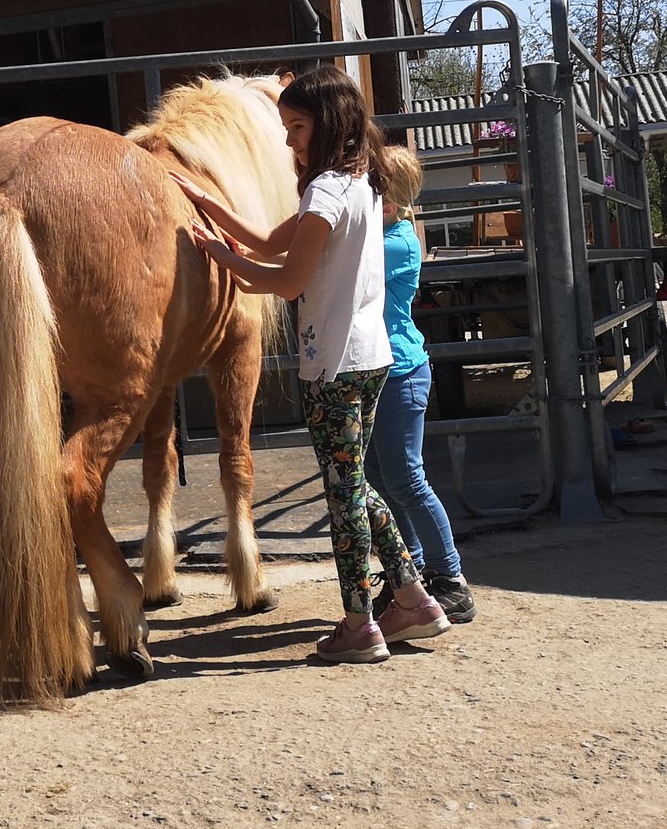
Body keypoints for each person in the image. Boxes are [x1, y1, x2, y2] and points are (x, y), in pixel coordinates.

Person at [171, 64, 451, 664]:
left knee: (342, 496)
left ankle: (359, 623)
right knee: (352, 484)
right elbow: (274, 241)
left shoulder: (324, 191)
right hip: (369, 358)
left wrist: (223, 258)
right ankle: (413, 600)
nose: (289, 140)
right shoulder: (360, 184)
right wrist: (208, 203)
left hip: (334, 366)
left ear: (327, 124)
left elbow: (285, 277)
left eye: (296, 127)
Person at [363, 147, 475, 625]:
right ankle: (405, 572)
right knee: (380, 482)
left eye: (372, 187)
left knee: (407, 480)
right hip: (378, 371)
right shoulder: (385, 231)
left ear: (390, 199)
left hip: (401, 373)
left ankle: (451, 580)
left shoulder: (393, 242)